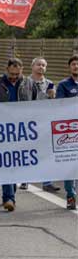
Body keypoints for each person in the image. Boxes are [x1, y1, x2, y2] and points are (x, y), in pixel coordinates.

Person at [0, 58, 38, 212]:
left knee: (17, 165)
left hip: (22, 131)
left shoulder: (29, 84)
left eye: (17, 74)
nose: (14, 76)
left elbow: (36, 104)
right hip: (2, 132)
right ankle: (9, 198)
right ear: (6, 70)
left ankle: (10, 191)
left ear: (22, 70)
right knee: (6, 163)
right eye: (11, 73)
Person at [21, 57, 60, 191]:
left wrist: (52, 96)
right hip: (27, 122)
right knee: (28, 152)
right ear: (32, 66)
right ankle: (25, 180)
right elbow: (23, 100)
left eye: (43, 65)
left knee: (45, 152)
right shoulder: (24, 82)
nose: (41, 67)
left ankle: (47, 182)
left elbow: (53, 104)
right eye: (38, 64)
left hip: (43, 122)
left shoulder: (49, 84)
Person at [55, 55, 78, 210]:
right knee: (71, 164)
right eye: (74, 64)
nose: (76, 66)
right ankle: (71, 196)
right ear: (69, 67)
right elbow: (60, 105)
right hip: (70, 131)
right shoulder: (64, 85)